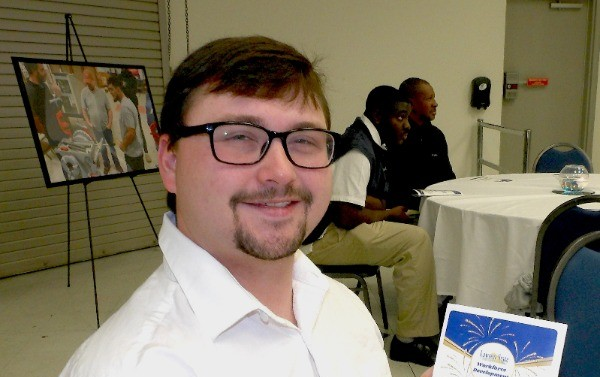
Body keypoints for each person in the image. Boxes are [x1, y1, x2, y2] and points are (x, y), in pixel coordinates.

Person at [59, 36, 432, 377]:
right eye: (239, 136)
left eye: (303, 139)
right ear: (171, 162)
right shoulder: (132, 367)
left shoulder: (339, 305)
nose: (281, 173)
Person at [306, 86, 439, 367]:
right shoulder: (359, 151)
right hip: (322, 240)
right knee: (415, 242)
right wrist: (388, 213)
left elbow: (342, 191)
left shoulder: (361, 138)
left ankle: (420, 332)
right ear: (378, 116)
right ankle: (407, 342)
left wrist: (379, 206)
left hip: (330, 229)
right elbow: (345, 216)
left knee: (416, 238)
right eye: (400, 117)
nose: (406, 125)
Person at [387, 77, 455, 210]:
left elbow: (448, 176)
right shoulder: (396, 136)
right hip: (405, 209)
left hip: (438, 206)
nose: (435, 104)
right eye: (429, 99)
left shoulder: (436, 135)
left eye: (434, 98)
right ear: (411, 104)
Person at [81, 68, 124, 175]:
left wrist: (109, 124)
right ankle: (107, 165)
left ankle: (117, 164)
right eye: (86, 82)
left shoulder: (101, 92)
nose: (88, 85)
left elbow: (109, 109)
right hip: (96, 128)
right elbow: (84, 110)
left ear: (93, 80)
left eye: (89, 82)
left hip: (106, 126)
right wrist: (89, 122)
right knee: (102, 149)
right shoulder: (83, 93)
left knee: (111, 147)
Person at [23, 62, 71, 151]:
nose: (45, 72)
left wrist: (58, 96)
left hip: (59, 129)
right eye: (42, 70)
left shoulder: (43, 85)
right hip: (52, 135)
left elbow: (55, 107)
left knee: (72, 155)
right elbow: (36, 122)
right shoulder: (29, 92)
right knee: (65, 159)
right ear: (34, 71)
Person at [106, 74, 144, 172]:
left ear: (118, 88)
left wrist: (123, 145)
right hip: (135, 151)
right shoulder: (127, 102)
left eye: (111, 89)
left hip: (133, 155)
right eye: (109, 90)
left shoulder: (125, 108)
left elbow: (131, 133)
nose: (110, 93)